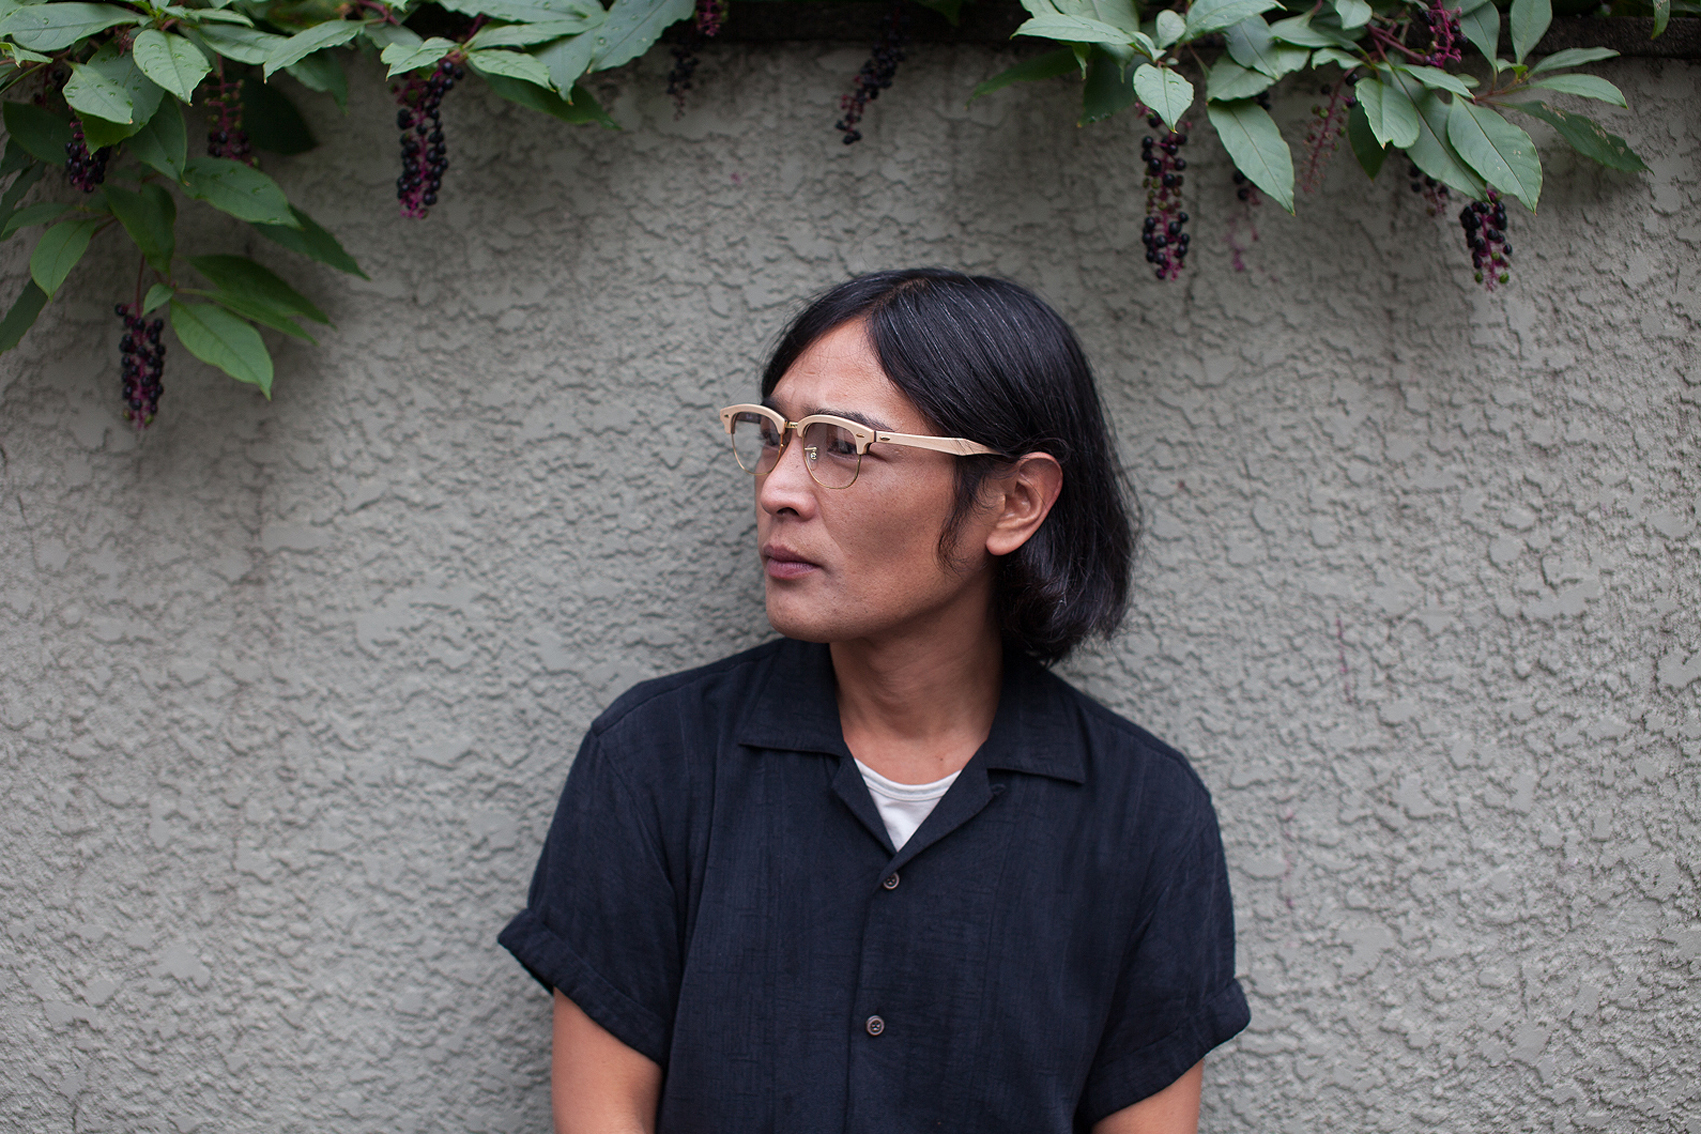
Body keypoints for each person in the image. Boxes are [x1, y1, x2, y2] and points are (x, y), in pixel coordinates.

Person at [499, 268, 1248, 1134]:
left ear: (1014, 502)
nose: (778, 489)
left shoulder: (1143, 815)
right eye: (774, 435)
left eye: (843, 445)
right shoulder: (653, 761)